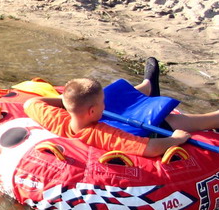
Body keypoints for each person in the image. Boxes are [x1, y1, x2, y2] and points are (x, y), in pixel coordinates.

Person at [24, 62, 219, 158]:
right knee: (171, 121)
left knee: (112, 96)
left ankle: (148, 86)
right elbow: (150, 148)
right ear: (92, 111)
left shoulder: (55, 118)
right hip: (128, 128)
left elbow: (31, 103)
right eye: (103, 102)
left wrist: (67, 100)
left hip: (81, 110)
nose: (105, 103)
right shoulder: (102, 134)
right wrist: (176, 138)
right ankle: (215, 119)